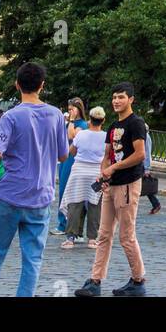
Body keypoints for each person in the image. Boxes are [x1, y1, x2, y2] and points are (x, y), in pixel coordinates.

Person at [0, 62, 68, 298]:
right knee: (32, 259)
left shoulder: (11, 116)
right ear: (42, 85)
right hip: (40, 197)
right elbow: (63, 154)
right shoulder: (56, 115)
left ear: (17, 85)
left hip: (10, 195)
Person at [76, 82, 148, 295]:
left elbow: (140, 154)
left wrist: (114, 167)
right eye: (114, 97)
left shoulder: (136, 123)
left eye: (121, 97)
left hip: (128, 184)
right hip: (111, 185)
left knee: (126, 236)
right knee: (104, 234)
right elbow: (107, 154)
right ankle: (95, 281)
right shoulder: (114, 127)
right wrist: (104, 172)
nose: (116, 101)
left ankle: (138, 280)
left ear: (131, 99)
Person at [61, 106, 107, 248]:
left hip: (79, 172)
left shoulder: (81, 135)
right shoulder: (106, 136)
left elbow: (72, 151)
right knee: (95, 205)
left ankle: (71, 237)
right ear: (103, 120)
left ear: (89, 121)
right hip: (96, 173)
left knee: (74, 203)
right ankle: (92, 238)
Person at [55, 99, 88, 236]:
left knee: (68, 190)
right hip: (64, 159)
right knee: (62, 189)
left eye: (72, 109)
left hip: (73, 159)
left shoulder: (82, 124)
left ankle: (65, 224)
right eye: (68, 109)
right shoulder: (68, 123)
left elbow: (71, 135)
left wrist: (72, 121)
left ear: (79, 109)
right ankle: (62, 222)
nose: (70, 112)